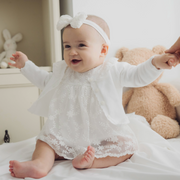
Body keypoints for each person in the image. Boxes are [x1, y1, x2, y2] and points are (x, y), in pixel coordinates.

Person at [8, 12, 179, 179]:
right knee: (45, 141)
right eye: (67, 46)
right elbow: (44, 81)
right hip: (68, 133)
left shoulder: (112, 70)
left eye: (81, 45)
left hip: (103, 134)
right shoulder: (64, 72)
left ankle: (92, 162)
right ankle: (39, 164)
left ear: (103, 50)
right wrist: (26, 66)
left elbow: (137, 75)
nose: (72, 52)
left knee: (127, 146)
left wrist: (155, 63)